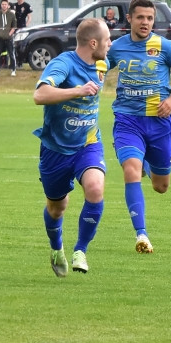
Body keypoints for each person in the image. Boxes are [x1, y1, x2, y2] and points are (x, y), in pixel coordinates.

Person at [106, 0, 171, 254]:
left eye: (149, 18)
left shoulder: (164, 46)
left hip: (159, 123)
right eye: (140, 17)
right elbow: (100, 67)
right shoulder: (117, 47)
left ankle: (145, 161)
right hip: (127, 120)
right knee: (130, 171)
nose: (145, 22)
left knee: (160, 186)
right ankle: (141, 234)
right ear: (130, 19)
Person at [33, 18, 112, 277]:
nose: (110, 44)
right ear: (93, 43)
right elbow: (40, 95)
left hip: (88, 143)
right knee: (57, 207)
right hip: (56, 149)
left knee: (95, 187)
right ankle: (57, 249)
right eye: (107, 40)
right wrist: (77, 91)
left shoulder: (102, 63)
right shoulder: (63, 64)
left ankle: (81, 250)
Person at [0, 0, 18, 76]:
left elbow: (14, 26)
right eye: (2, 4)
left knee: (11, 54)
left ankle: (13, 70)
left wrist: (10, 34)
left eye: (5, 4)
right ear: (1, 5)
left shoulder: (12, 14)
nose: (4, 6)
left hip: (9, 38)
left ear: (8, 6)